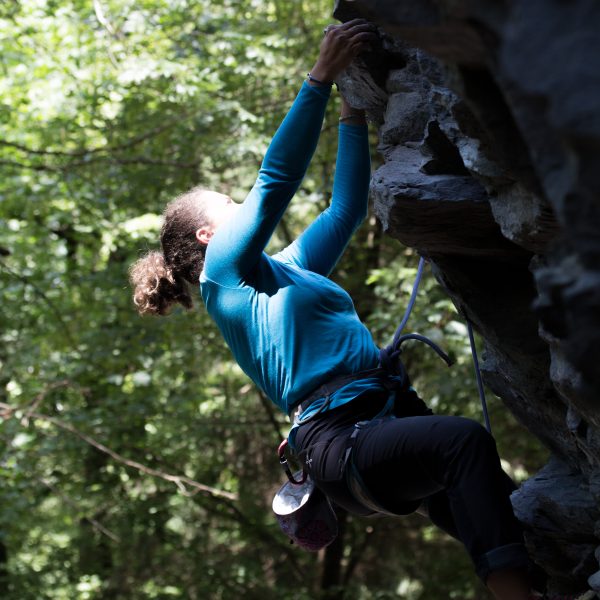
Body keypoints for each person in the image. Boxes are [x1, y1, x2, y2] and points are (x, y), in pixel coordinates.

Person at [129, 19, 539, 600]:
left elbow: (345, 210)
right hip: (340, 438)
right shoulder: (223, 275)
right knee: (463, 442)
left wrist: (351, 115)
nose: (240, 202)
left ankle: (543, 586)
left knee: (508, 517)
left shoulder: (285, 271)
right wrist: (318, 78)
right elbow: (274, 182)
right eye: (228, 202)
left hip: (379, 419)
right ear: (205, 235)